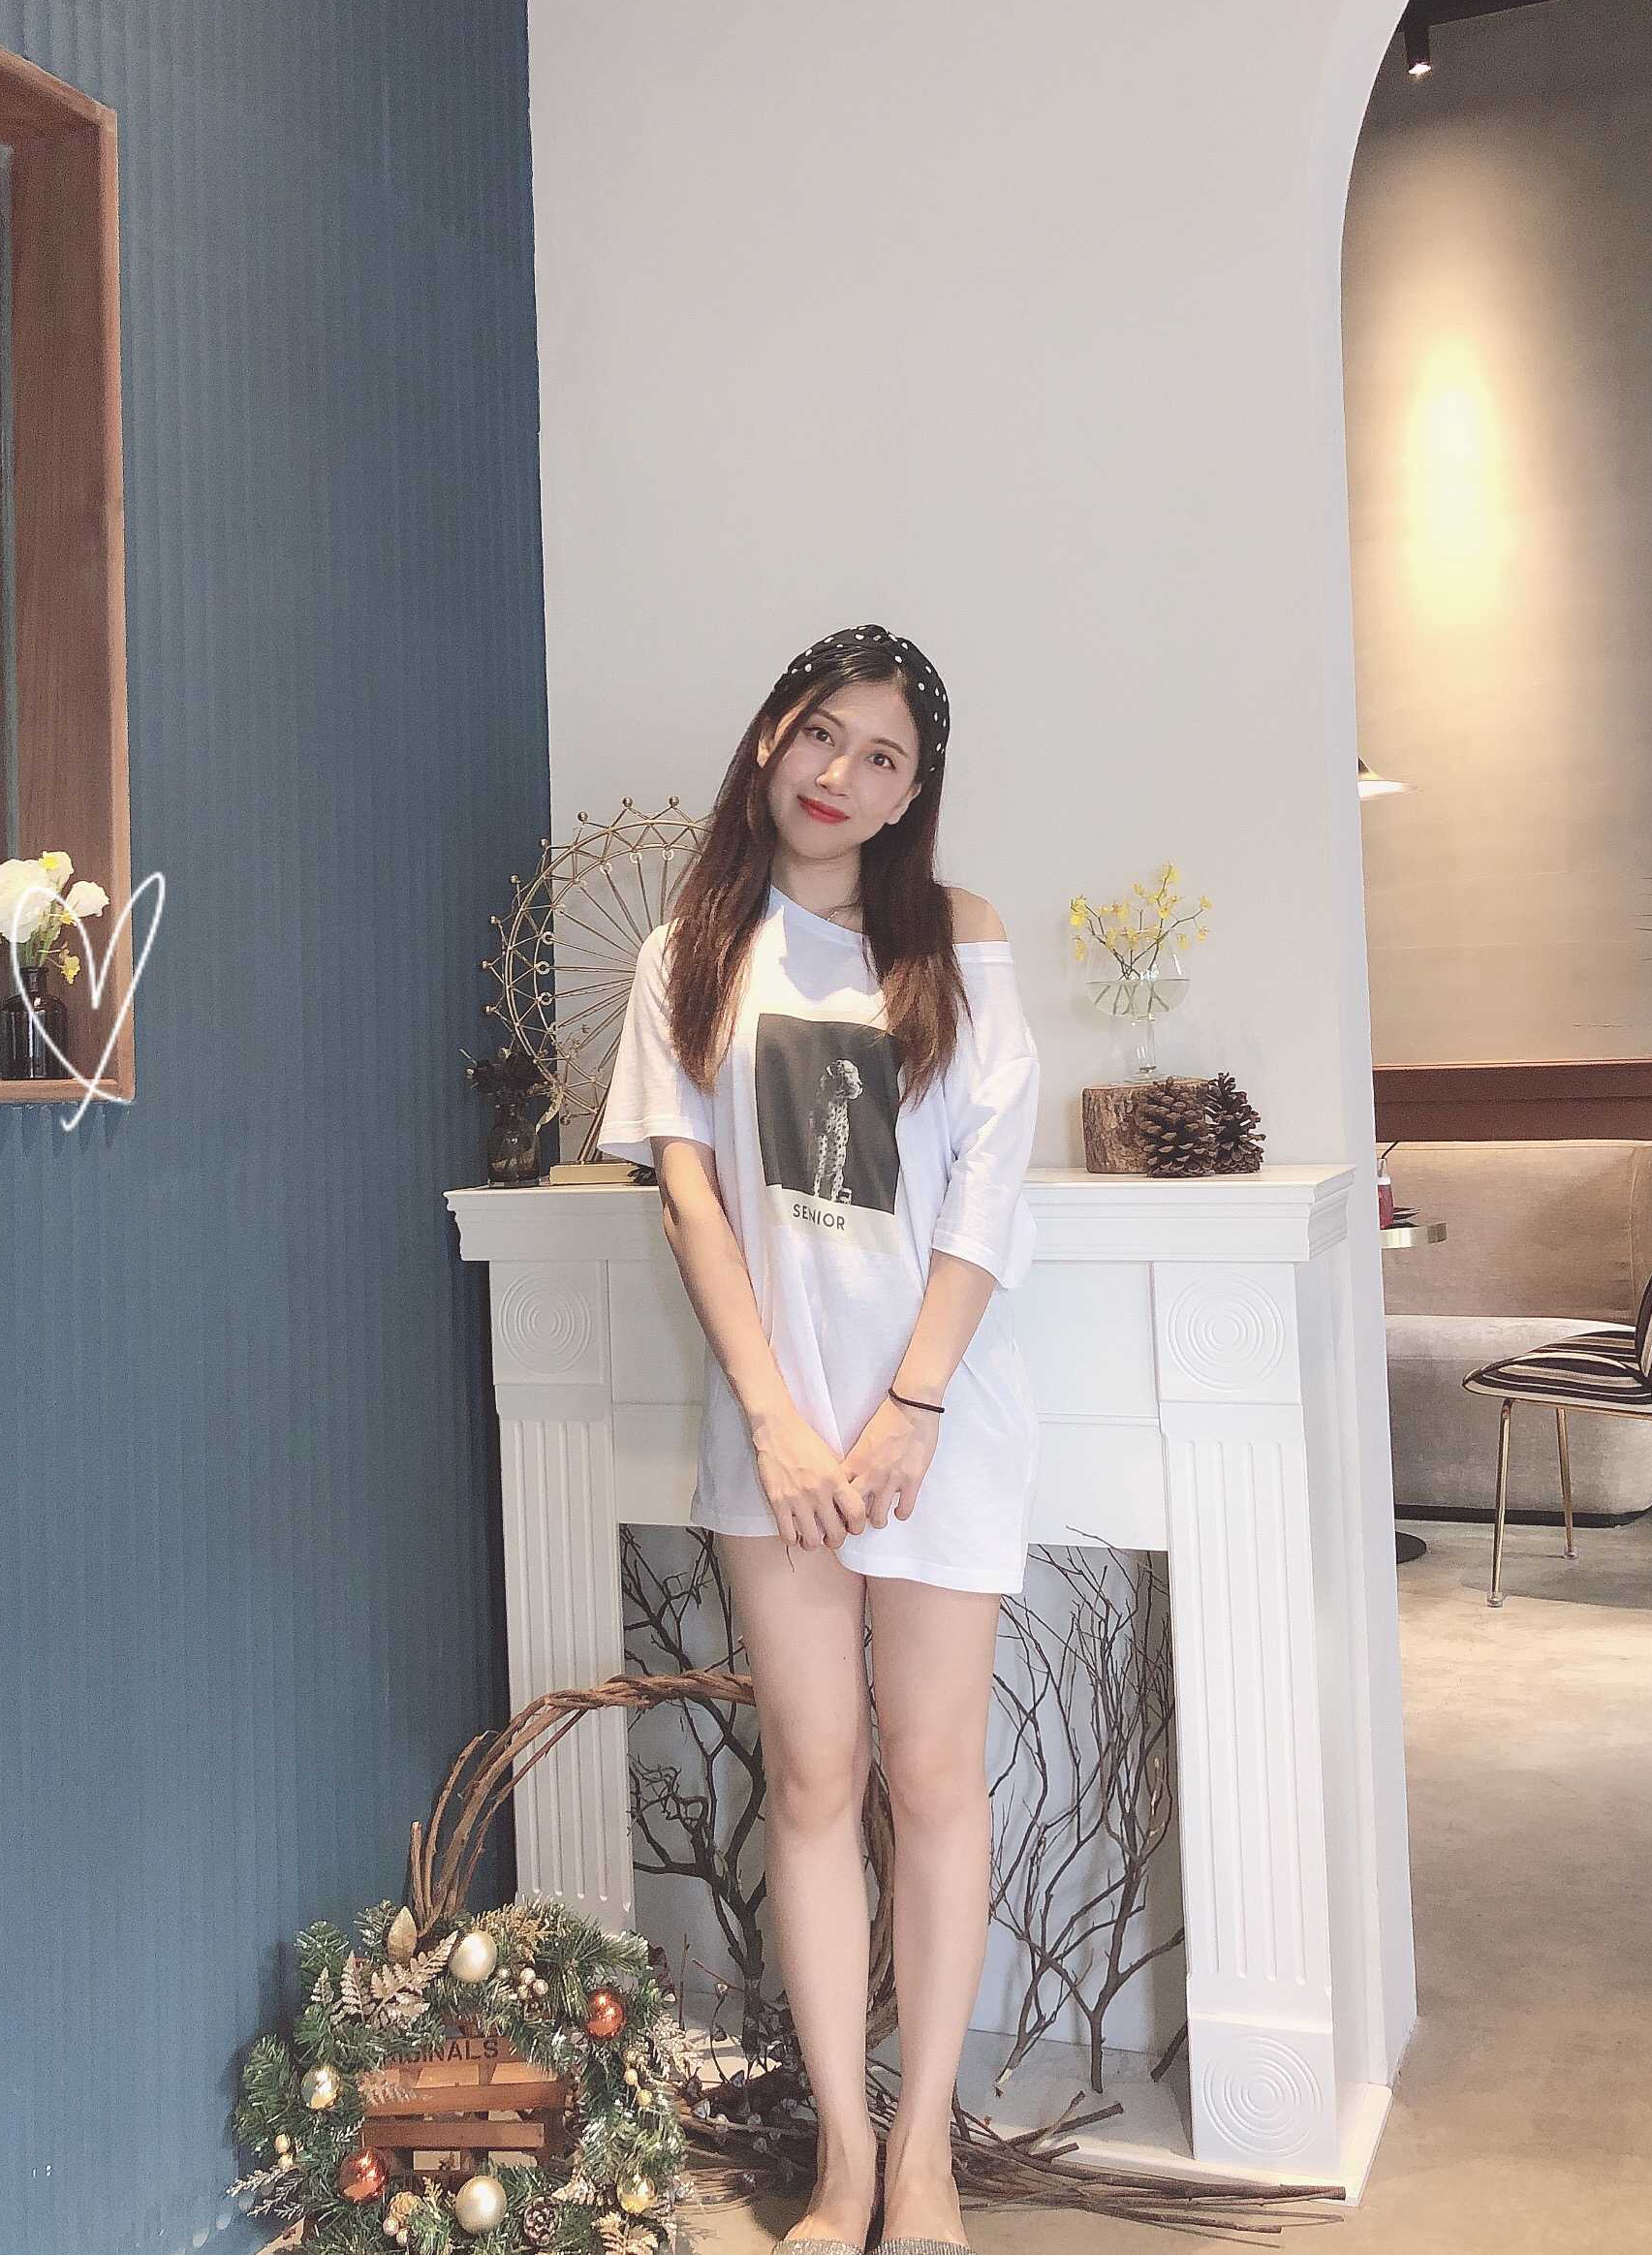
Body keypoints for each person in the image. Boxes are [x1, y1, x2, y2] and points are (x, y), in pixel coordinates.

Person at [598, 622, 1043, 2255]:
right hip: (776, 1440)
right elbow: (693, 1206)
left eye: (882, 757)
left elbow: (986, 1192)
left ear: (916, 792)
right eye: (819, 735)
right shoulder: (691, 952)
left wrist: (910, 1407)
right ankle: (845, 2157)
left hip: (937, 1424)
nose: (840, 775)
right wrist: (781, 1427)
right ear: (769, 735)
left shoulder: (961, 939)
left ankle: (924, 2159)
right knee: (810, 1775)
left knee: (931, 1777)